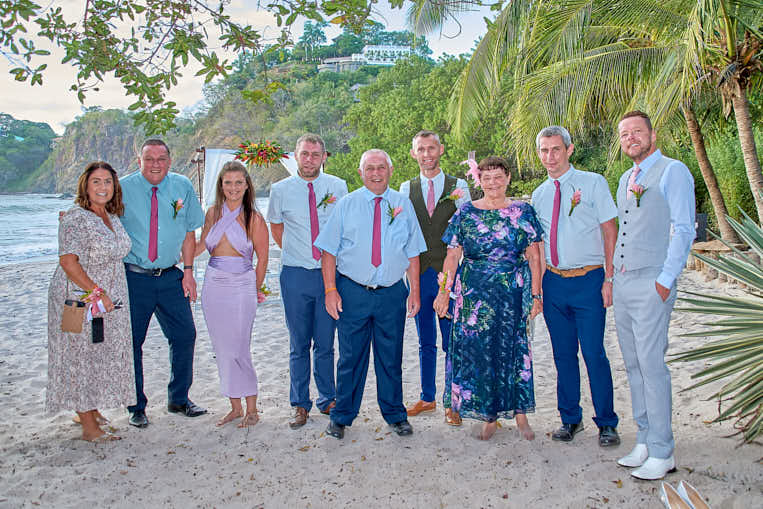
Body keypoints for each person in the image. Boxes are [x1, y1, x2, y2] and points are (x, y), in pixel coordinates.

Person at [314, 149, 427, 439]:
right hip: (353, 292)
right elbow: (328, 252)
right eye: (370, 169)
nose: (376, 173)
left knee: (391, 357)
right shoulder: (346, 205)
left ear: (390, 171)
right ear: (360, 173)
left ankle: (395, 415)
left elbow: (413, 253)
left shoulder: (403, 204)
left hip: (391, 293)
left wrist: (414, 290)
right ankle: (341, 417)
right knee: (350, 357)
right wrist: (330, 290)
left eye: (381, 168)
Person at [434, 156, 543, 441]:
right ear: (478, 181)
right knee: (482, 354)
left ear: (508, 178)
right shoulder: (465, 213)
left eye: (498, 177)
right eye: (487, 178)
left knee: (514, 351)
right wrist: (444, 291)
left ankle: (521, 416)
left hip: (512, 293)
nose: (493, 183)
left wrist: (536, 295)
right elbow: (452, 255)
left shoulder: (523, 211)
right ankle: (489, 417)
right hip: (473, 297)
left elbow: (535, 256)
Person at [613, 111, 695, 480]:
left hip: (653, 281)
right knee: (632, 364)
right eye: (624, 134)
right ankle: (645, 438)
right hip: (624, 282)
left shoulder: (673, 171)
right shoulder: (624, 179)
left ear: (652, 134)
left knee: (652, 365)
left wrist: (665, 278)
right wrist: (614, 276)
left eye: (637, 132)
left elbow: (683, 228)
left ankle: (663, 449)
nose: (631, 138)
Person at [530, 126, 620, 447]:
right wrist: (537, 291)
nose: (549, 157)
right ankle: (570, 419)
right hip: (554, 283)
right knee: (562, 355)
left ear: (569, 150)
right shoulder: (539, 195)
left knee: (594, 353)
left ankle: (607, 423)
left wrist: (609, 278)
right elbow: (537, 249)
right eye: (544, 150)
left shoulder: (593, 183)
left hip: (589, 280)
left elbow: (610, 231)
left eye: (555, 149)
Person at [120, 139, 206, 428]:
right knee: (132, 342)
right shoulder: (122, 188)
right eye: (149, 159)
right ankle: (136, 406)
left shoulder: (181, 186)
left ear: (170, 160)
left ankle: (179, 399)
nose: (155, 164)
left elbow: (189, 233)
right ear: (139, 160)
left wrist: (190, 271)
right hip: (134, 277)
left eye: (161, 158)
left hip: (171, 276)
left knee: (185, 336)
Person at [46, 161, 135, 442]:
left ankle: (90, 410)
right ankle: (88, 427)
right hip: (77, 299)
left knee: (96, 353)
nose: (102, 187)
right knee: (78, 356)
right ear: (85, 185)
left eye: (107, 181)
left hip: (105, 299)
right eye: (96, 181)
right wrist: (98, 291)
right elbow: (68, 262)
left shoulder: (110, 215)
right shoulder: (75, 217)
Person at [267, 133, 348, 429]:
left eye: (315, 154)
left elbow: (342, 227)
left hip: (329, 274)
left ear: (324, 157)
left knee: (326, 343)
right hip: (295, 274)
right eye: (305, 154)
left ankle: (328, 399)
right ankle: (300, 403)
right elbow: (276, 228)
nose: (310, 159)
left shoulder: (338, 187)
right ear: (295, 156)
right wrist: (298, 251)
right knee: (298, 343)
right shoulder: (280, 189)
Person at [399, 130, 471, 422]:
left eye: (431, 148)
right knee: (424, 340)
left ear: (441, 150)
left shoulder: (459, 185)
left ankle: (453, 402)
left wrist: (453, 276)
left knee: (452, 340)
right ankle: (427, 397)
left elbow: (465, 232)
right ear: (413, 153)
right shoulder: (406, 187)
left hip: (449, 274)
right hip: (418, 275)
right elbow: (402, 234)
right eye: (421, 149)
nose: (427, 154)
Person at [197, 161, 269, 427]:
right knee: (222, 348)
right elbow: (199, 247)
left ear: (247, 185)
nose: (233, 188)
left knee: (240, 347)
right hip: (214, 284)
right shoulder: (212, 213)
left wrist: (255, 287)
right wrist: (177, 254)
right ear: (221, 186)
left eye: (239, 182)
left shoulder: (255, 218)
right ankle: (235, 407)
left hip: (242, 285)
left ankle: (252, 408)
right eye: (228, 182)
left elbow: (262, 259)